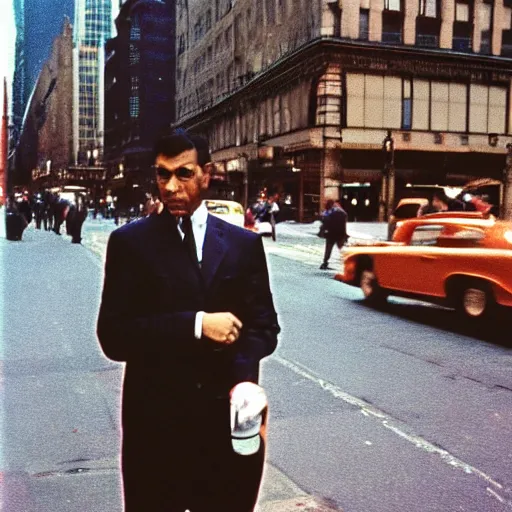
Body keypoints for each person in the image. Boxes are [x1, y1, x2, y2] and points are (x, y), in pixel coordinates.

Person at [97, 130, 280, 512]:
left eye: (183, 173)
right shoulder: (130, 244)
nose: (171, 186)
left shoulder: (242, 245)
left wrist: (244, 377)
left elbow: (264, 326)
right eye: (162, 175)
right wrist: (196, 324)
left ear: (206, 174)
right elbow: (113, 336)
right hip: (156, 425)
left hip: (225, 422)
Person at [320, 199, 347, 270]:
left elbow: (325, 222)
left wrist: (322, 231)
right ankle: (348, 262)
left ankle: (325, 262)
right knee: (341, 248)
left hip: (331, 233)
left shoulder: (328, 212)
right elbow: (344, 221)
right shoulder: (341, 211)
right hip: (340, 234)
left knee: (328, 249)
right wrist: (345, 234)